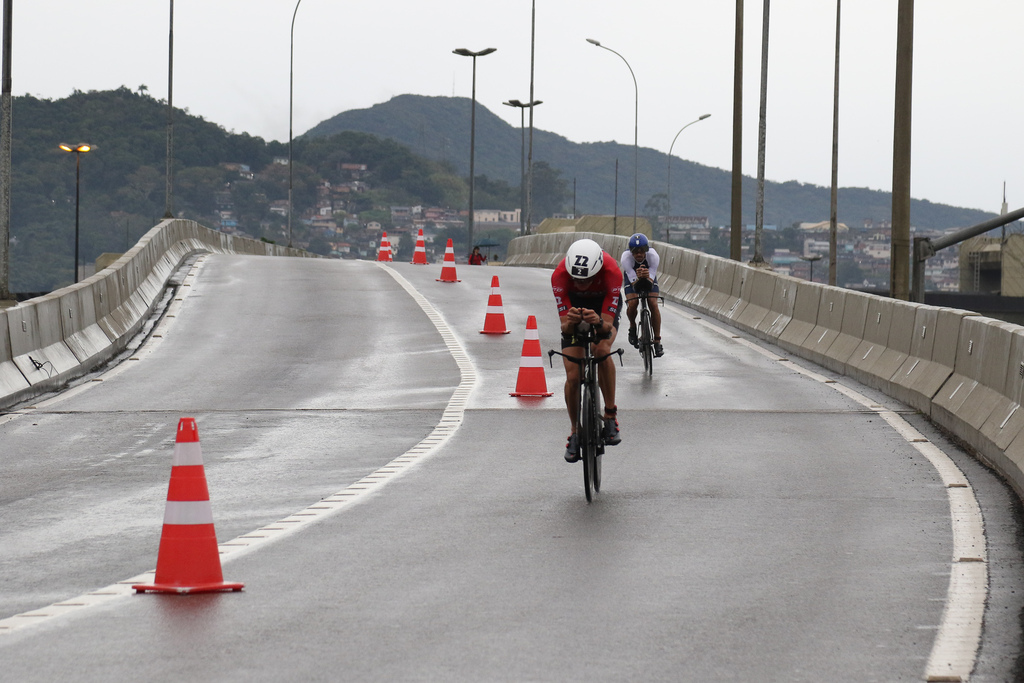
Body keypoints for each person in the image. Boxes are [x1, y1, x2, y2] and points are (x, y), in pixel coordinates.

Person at [551, 238, 623, 463]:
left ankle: (610, 415)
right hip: (574, 306)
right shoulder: (559, 277)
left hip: (602, 306)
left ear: (598, 270)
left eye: (587, 280)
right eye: (576, 279)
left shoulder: (613, 273)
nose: (581, 284)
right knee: (573, 375)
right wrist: (571, 323)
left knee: (601, 349)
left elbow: (607, 327)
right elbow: (565, 328)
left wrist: (599, 322)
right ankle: (575, 431)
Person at [620, 233, 663, 357]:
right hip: (632, 277)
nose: (639, 254)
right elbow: (635, 284)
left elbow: (650, 281)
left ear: (646, 251)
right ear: (631, 252)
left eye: (642, 251)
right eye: (635, 252)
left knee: (653, 303)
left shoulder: (653, 256)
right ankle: (632, 326)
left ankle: (657, 340)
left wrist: (646, 276)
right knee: (633, 302)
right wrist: (638, 277)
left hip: (649, 276)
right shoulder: (626, 258)